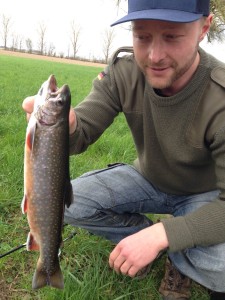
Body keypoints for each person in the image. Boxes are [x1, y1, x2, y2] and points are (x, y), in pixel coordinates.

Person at [22, 0, 225, 299]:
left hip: (204, 196)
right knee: (73, 204)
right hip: (148, 179)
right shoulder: (124, 72)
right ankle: (158, 242)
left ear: (203, 28)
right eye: (142, 36)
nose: (155, 56)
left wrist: (163, 235)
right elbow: (82, 132)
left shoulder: (219, 96)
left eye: (171, 36)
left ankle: (173, 251)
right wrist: (69, 124)